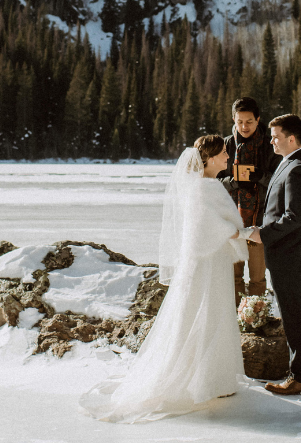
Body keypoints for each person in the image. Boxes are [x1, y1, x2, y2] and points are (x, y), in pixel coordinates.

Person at [80, 135, 247, 423]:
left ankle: (211, 379)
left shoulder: (202, 186)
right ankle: (203, 381)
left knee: (206, 313)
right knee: (205, 313)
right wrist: (242, 234)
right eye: (222, 153)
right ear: (207, 160)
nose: (227, 158)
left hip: (208, 261)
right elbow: (208, 227)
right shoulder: (205, 188)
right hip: (207, 264)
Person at [244, 114, 301, 396]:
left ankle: (300, 378)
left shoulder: (298, 168)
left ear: (292, 138)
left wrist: (262, 234)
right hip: (284, 253)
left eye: (275, 136)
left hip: (290, 254)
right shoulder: (288, 164)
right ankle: (300, 375)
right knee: (291, 313)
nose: (271, 140)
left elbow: (294, 217)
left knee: (293, 315)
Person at [218, 97, 281, 305]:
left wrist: (260, 176)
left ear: (258, 119)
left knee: (257, 277)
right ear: (233, 120)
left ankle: (255, 319)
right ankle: (235, 321)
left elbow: (280, 183)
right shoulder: (226, 144)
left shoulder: (270, 146)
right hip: (232, 219)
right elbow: (213, 181)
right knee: (233, 276)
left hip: (260, 220)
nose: (244, 127)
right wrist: (233, 182)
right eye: (240, 122)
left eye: (249, 122)